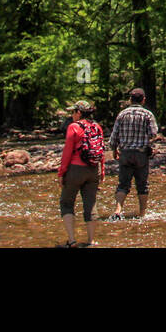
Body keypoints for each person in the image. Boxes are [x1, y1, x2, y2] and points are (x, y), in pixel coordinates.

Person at [57, 99, 104, 247]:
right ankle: (91, 241)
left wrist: (61, 173)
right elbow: (101, 150)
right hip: (93, 169)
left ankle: (72, 241)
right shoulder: (97, 127)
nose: (72, 115)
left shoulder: (73, 127)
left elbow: (67, 152)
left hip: (75, 170)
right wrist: (102, 171)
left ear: (79, 112)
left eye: (73, 112)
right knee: (90, 204)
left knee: (66, 203)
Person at [107, 87, 158, 220]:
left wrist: (114, 149)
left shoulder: (122, 114)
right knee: (142, 185)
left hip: (125, 153)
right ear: (143, 100)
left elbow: (114, 136)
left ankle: (118, 210)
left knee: (123, 184)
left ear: (130, 100)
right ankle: (142, 213)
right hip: (141, 154)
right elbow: (153, 133)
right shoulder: (147, 115)